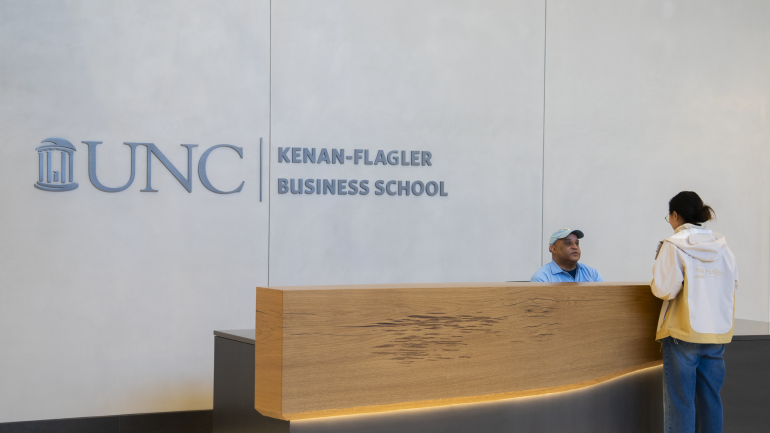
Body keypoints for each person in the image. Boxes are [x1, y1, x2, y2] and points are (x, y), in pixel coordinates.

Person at [651, 191, 738, 433]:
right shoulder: (724, 248)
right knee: (711, 400)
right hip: (717, 334)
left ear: (675, 215)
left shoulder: (673, 245)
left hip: (683, 333)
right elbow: (732, 286)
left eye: (668, 217)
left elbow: (664, 290)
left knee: (680, 403)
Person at [530, 228, 604, 282]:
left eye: (577, 243)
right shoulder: (541, 279)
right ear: (553, 249)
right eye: (568, 243)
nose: (575, 247)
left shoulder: (592, 274)